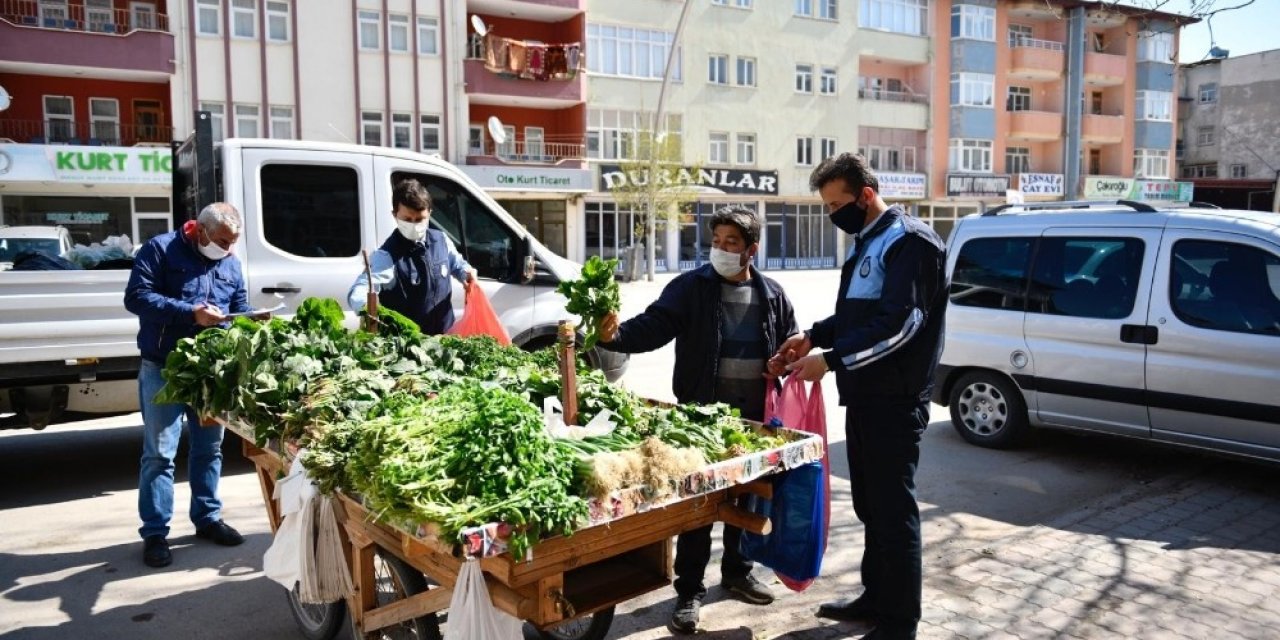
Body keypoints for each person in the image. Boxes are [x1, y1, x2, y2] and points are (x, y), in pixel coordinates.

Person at [597, 205, 798, 634]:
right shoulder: (692, 288)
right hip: (701, 418)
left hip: (754, 421)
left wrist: (783, 360)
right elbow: (655, 325)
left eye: (731, 243)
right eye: (717, 241)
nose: (721, 249)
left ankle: (738, 572)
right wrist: (616, 336)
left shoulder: (773, 294)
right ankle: (689, 590)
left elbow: (788, 342)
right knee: (699, 507)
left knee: (746, 499)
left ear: (752, 249)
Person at [772, 153, 947, 640]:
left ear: (866, 195)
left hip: (896, 399)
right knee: (872, 507)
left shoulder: (910, 242)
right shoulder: (868, 239)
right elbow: (857, 317)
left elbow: (901, 326)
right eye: (827, 206)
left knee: (894, 511)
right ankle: (876, 598)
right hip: (866, 396)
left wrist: (830, 361)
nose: (832, 214)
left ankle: (899, 623)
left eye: (836, 204)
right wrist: (813, 335)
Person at [124, 202, 261, 568]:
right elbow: (136, 297)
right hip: (164, 367)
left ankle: (207, 518)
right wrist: (190, 313)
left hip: (209, 373)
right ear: (201, 231)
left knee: (209, 449)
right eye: (222, 241)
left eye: (233, 242)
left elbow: (238, 305)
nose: (228, 249)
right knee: (159, 454)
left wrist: (251, 319)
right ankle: (155, 532)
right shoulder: (160, 249)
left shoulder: (230, 262)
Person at [347, 178, 477, 334]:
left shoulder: (441, 240)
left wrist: (466, 273)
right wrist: (365, 307)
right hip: (410, 344)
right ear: (395, 215)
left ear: (429, 213)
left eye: (420, 219)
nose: (414, 224)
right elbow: (359, 289)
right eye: (407, 219)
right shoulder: (387, 256)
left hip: (445, 339)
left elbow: (457, 265)